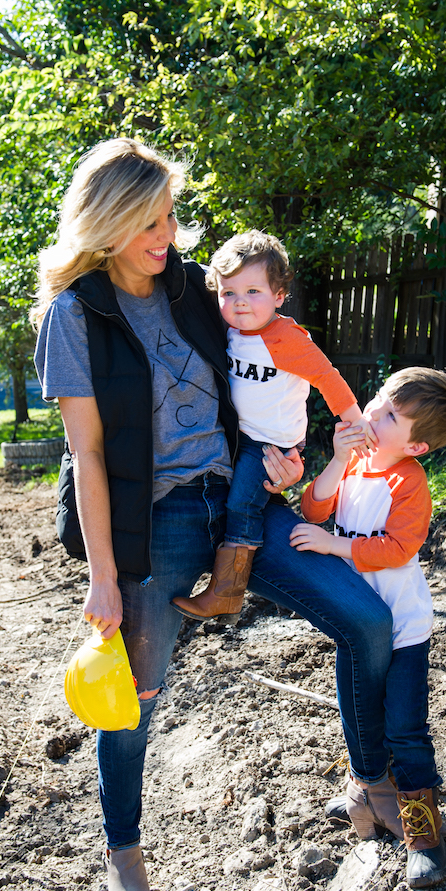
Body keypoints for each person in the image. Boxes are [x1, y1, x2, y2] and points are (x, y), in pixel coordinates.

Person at [32, 137, 394, 891]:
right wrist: (101, 576)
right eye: (151, 222)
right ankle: (122, 852)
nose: (169, 237)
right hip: (152, 524)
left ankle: (370, 782)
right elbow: (87, 455)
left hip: (242, 500)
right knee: (137, 699)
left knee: (367, 620)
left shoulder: (197, 290)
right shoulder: (74, 316)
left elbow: (273, 363)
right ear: (107, 220)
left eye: (170, 218)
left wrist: (291, 453)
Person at [290, 367, 446, 888]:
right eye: (378, 400)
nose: (371, 412)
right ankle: (362, 792)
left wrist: (336, 546)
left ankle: (423, 830)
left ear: (415, 446)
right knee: (359, 711)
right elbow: (313, 505)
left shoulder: (407, 482)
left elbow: (399, 548)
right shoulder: (358, 461)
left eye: (390, 415)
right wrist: (338, 459)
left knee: (405, 729)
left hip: (402, 631)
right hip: (354, 621)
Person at [172, 230, 374, 624]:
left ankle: (226, 593)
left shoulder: (286, 337)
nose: (240, 303)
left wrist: (356, 423)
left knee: (241, 504)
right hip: (239, 435)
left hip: (269, 444)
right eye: (228, 293)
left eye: (252, 292)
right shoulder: (231, 329)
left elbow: (327, 377)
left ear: (279, 296)